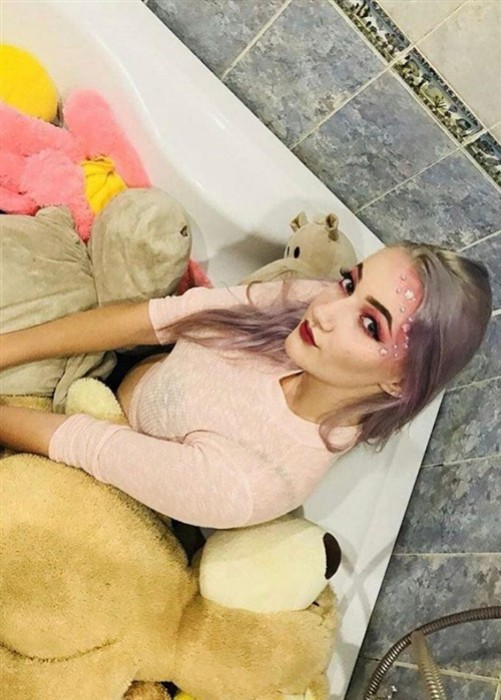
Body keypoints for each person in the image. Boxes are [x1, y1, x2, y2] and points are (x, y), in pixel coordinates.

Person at [0, 241, 492, 528]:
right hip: (123, 374)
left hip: (101, 461)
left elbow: (86, 443)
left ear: (400, 383)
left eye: (370, 325)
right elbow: (162, 319)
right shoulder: (312, 306)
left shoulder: (252, 481)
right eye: (349, 282)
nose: (324, 310)